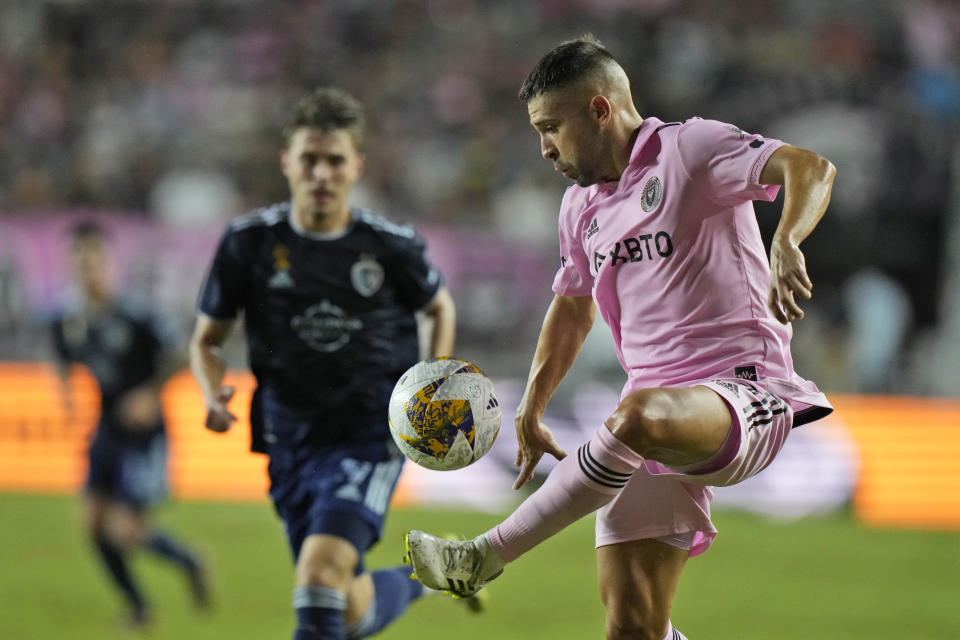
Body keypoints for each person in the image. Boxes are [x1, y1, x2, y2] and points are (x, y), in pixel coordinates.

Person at [403, 35, 836, 640]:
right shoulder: (579, 206)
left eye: (551, 127)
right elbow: (572, 305)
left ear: (600, 110)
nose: (544, 148)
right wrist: (532, 404)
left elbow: (809, 166)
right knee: (634, 628)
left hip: (743, 395)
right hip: (653, 420)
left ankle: (481, 556)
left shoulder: (691, 148)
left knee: (636, 414)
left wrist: (787, 238)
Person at [189, 87, 459, 640]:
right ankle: (429, 571)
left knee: (318, 574)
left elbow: (438, 305)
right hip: (287, 438)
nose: (321, 173)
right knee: (346, 606)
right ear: (285, 161)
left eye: (334, 160)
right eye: (308, 159)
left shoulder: (389, 246)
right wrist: (212, 391)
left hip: (369, 433)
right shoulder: (248, 244)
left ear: (356, 166)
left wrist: (432, 383)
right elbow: (207, 340)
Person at [50, 220, 209, 629]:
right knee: (92, 523)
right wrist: (65, 387)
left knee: (125, 531)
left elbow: (180, 353)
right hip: (106, 428)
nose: (87, 268)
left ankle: (189, 560)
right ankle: (140, 609)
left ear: (109, 262)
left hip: (144, 435)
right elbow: (63, 355)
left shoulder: (136, 314)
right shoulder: (69, 319)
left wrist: (150, 394)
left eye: (94, 259)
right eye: (79, 261)